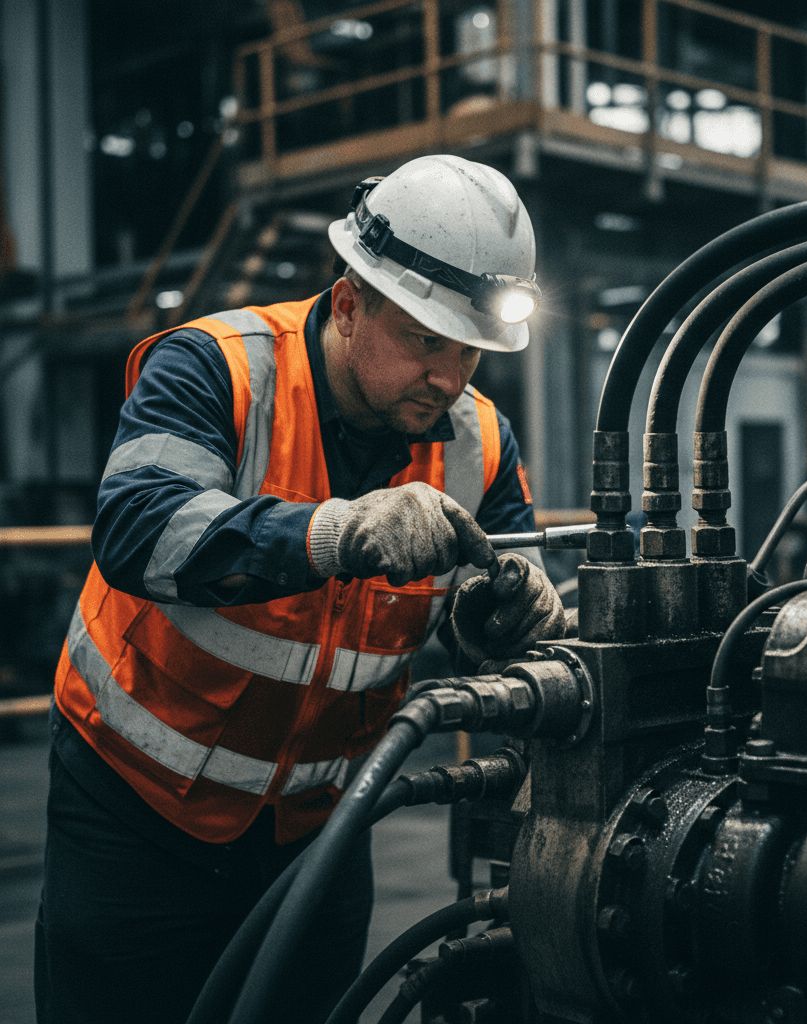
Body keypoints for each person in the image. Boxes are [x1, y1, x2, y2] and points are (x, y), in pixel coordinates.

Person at [35, 154, 565, 1024]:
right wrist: (333, 532)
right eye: (426, 340)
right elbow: (137, 528)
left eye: (470, 348)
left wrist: (502, 617)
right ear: (349, 304)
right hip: (137, 806)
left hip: (317, 824)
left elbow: (491, 602)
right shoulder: (215, 369)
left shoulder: (479, 442)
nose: (451, 376)